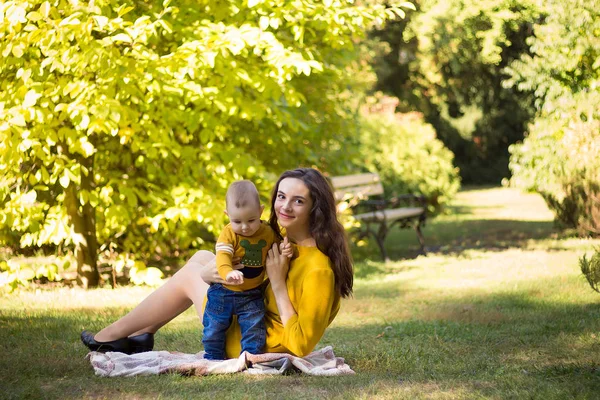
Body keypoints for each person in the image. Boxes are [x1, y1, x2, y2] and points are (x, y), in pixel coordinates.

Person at [81, 168, 353, 358]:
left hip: (255, 340)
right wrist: (216, 272)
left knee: (191, 275)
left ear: (315, 209)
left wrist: (279, 284)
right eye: (281, 197)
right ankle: (143, 333)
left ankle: (111, 337)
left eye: (298, 201)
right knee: (201, 259)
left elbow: (302, 345)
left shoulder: (319, 270)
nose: (285, 207)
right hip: (249, 313)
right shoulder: (282, 239)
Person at [203, 180, 291, 360]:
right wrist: (228, 272)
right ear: (227, 215)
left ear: (260, 211)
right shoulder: (228, 233)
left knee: (253, 326)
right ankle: (213, 356)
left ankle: (250, 357)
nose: (245, 226)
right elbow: (223, 257)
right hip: (223, 292)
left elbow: (276, 247)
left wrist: (284, 250)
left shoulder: (267, 232)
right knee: (214, 325)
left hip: (251, 293)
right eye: (237, 221)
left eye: (251, 220)